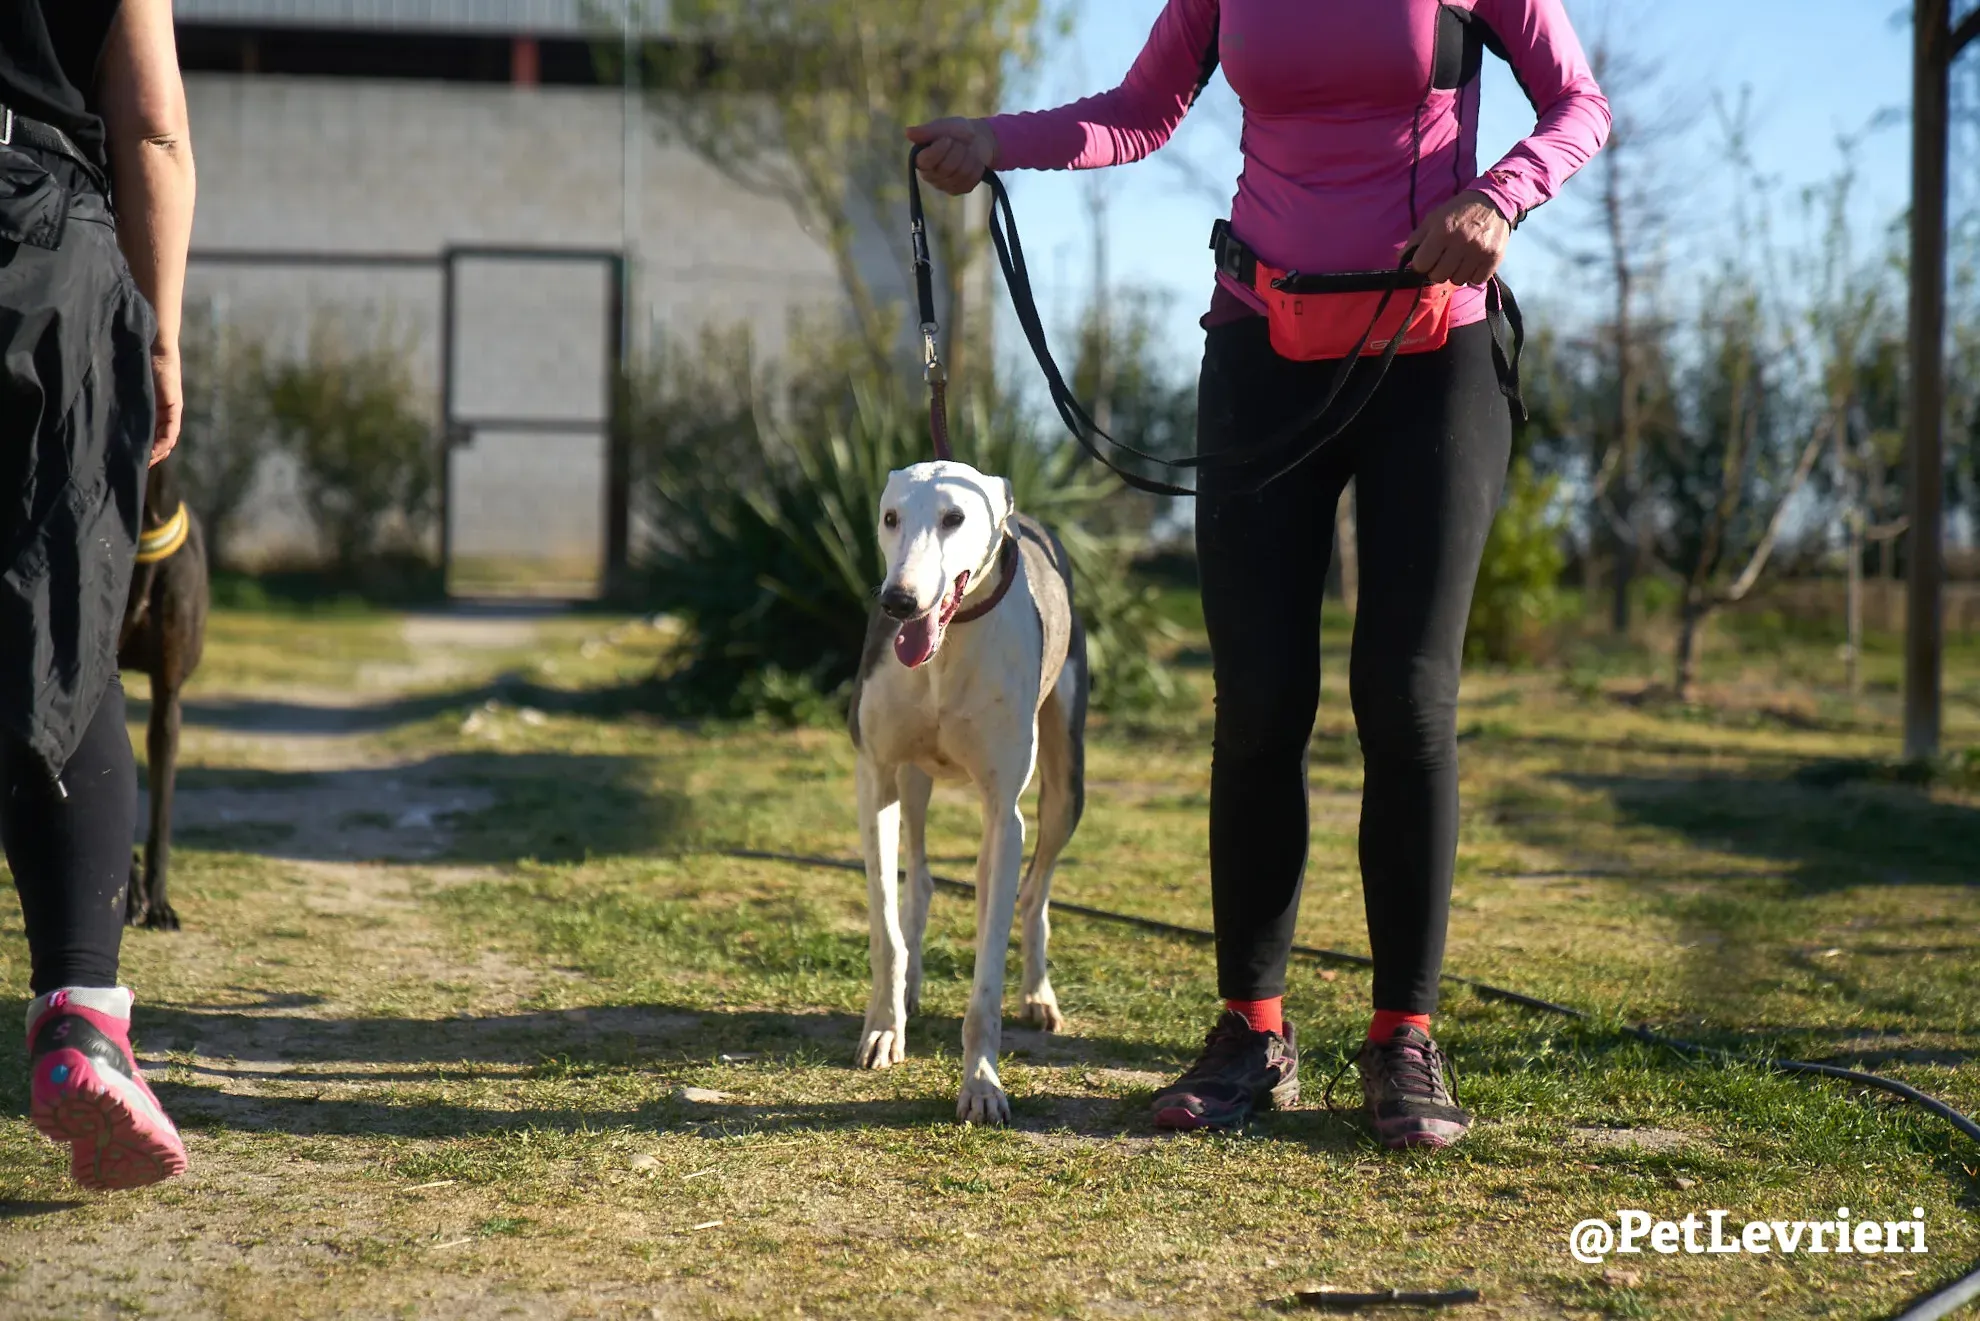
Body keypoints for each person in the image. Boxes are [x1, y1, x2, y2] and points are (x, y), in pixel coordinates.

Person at [908, 0, 1608, 1147]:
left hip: (1433, 352)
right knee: (1261, 700)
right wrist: (997, 141)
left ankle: (1403, 1039)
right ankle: (1252, 1029)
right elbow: (1140, 113)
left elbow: (1579, 105)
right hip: (1260, 339)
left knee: (1407, 694)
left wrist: (1500, 193)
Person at [1, 0, 196, 1189]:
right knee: (62, 612)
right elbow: (154, 127)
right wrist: (159, 335)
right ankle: (83, 1019)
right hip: (38, 228)